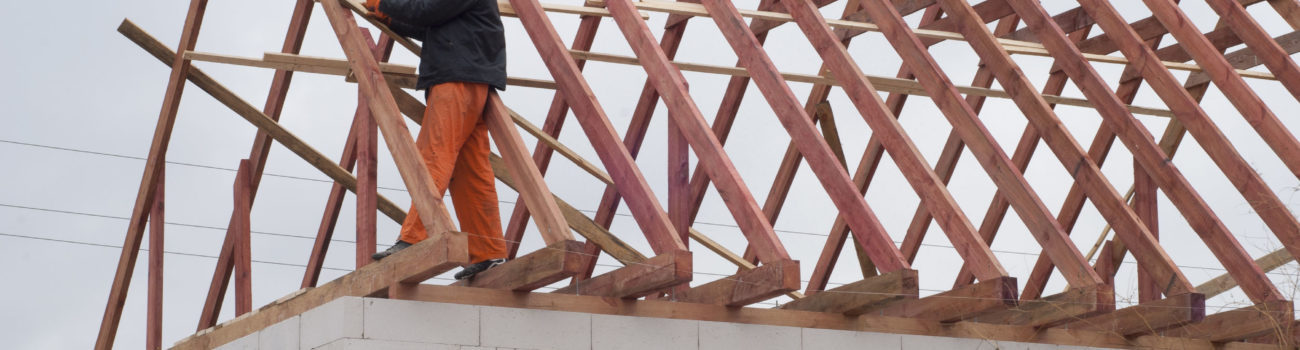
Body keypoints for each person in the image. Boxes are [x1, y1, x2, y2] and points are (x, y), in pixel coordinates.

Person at [363, 0, 508, 280]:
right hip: (469, 76)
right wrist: (391, 19)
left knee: (434, 155)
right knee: (471, 172)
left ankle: (415, 237)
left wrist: (385, 4)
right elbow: (433, 26)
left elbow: (427, 11)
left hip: (456, 79)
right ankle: (488, 250)